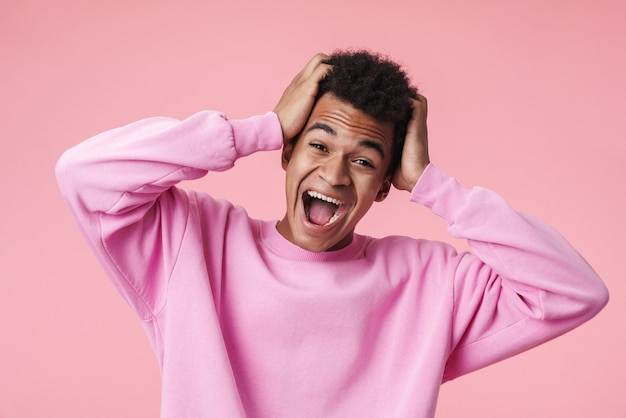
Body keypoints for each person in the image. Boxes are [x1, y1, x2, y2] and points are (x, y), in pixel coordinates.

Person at [56, 50, 609, 418]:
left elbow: (572, 291)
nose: (336, 175)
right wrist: (261, 128)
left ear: (386, 185)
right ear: (289, 155)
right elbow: (85, 174)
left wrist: (433, 186)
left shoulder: (430, 282)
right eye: (319, 145)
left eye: (365, 160)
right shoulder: (192, 244)